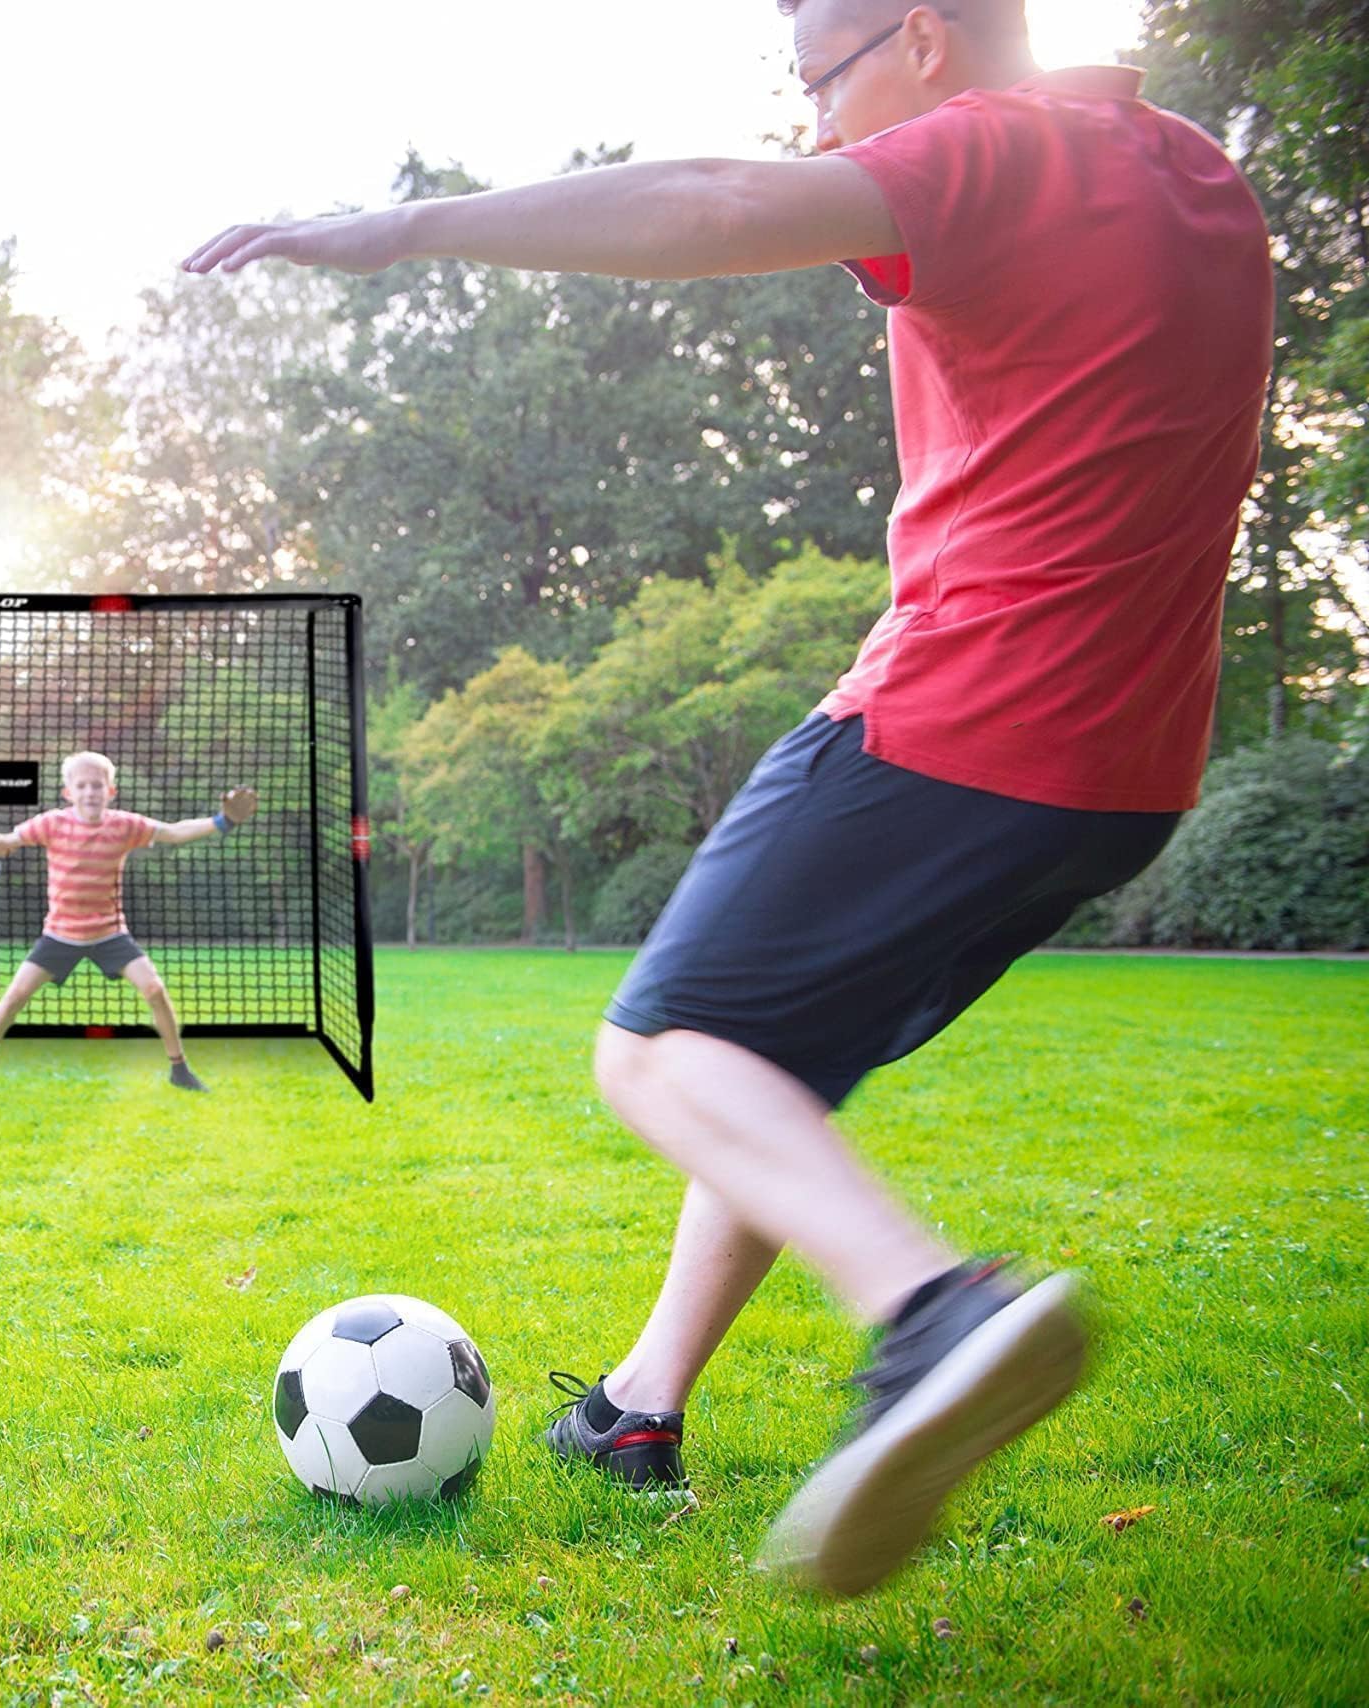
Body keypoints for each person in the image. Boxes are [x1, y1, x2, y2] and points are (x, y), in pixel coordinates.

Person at [184, 0, 1272, 1596]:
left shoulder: (994, 149)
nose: (826, 130)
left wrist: (405, 227)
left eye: (819, 82)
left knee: (659, 1051)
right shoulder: (1190, 174)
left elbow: (718, 206)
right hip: (1127, 769)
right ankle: (637, 1410)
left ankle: (936, 1314)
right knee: (770, 1067)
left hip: (966, 713)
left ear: (918, 37)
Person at [0, 751, 257, 1092]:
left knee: (154, 989)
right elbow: (6, 842)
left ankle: (180, 1070)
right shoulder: (51, 823)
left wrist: (223, 821)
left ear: (110, 791)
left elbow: (173, 832)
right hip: (59, 934)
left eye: (97, 785)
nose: (90, 792)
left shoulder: (125, 825)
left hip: (110, 933)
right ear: (68, 792)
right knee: (15, 995)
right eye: (82, 786)